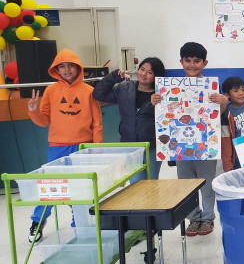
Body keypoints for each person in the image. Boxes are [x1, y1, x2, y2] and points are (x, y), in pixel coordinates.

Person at [27, 48, 103, 243]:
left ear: (78, 68)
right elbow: (44, 120)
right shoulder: (51, 91)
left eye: (71, 65)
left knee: (80, 189)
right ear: (56, 70)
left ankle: (78, 223)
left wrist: (96, 146)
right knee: (51, 187)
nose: (67, 70)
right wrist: (34, 111)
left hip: (83, 148)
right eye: (62, 66)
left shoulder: (88, 91)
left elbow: (97, 122)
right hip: (57, 147)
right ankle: (38, 221)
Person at [177, 42, 228, 237]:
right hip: (180, 145)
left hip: (206, 143)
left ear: (204, 63)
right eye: (187, 61)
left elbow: (218, 113)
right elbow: (165, 113)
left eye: (196, 61)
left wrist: (223, 103)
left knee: (207, 181)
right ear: (181, 62)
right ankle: (193, 217)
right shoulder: (172, 88)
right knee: (186, 182)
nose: (192, 65)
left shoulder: (212, 87)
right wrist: (158, 100)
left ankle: (207, 217)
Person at [92, 57, 165, 181]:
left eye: (150, 72)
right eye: (142, 69)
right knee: (135, 184)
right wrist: (114, 77)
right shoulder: (124, 89)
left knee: (152, 183)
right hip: (129, 146)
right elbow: (98, 94)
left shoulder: (161, 95)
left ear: (156, 76)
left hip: (153, 147)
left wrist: (154, 103)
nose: (144, 74)